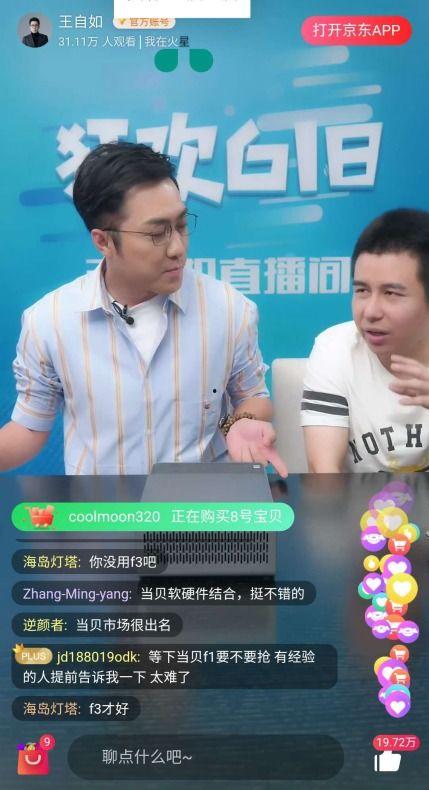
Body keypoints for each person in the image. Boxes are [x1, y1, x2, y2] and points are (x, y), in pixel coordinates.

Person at [4, 142, 287, 476]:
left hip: (200, 503)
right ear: (103, 241)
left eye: (181, 225)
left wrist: (242, 422)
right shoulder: (49, 322)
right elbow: (29, 428)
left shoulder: (229, 309)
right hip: (100, 505)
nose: (177, 248)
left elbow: (251, 396)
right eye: (157, 234)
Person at [301, 208, 429, 473]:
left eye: (391, 293)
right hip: (357, 501)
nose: (370, 312)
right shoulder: (335, 349)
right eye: (362, 290)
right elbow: (324, 471)